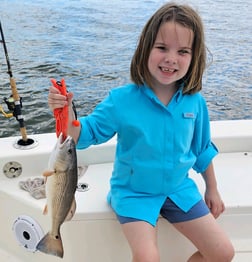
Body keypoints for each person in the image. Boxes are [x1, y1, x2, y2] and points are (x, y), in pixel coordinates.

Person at [48, 2, 234, 261]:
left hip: (180, 189)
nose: (171, 58)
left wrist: (212, 189)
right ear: (145, 49)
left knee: (223, 252)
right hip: (134, 192)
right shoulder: (121, 100)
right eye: (161, 48)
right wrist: (64, 113)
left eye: (183, 51)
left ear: (194, 58)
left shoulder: (195, 102)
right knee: (147, 257)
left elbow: (201, 148)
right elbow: (83, 134)